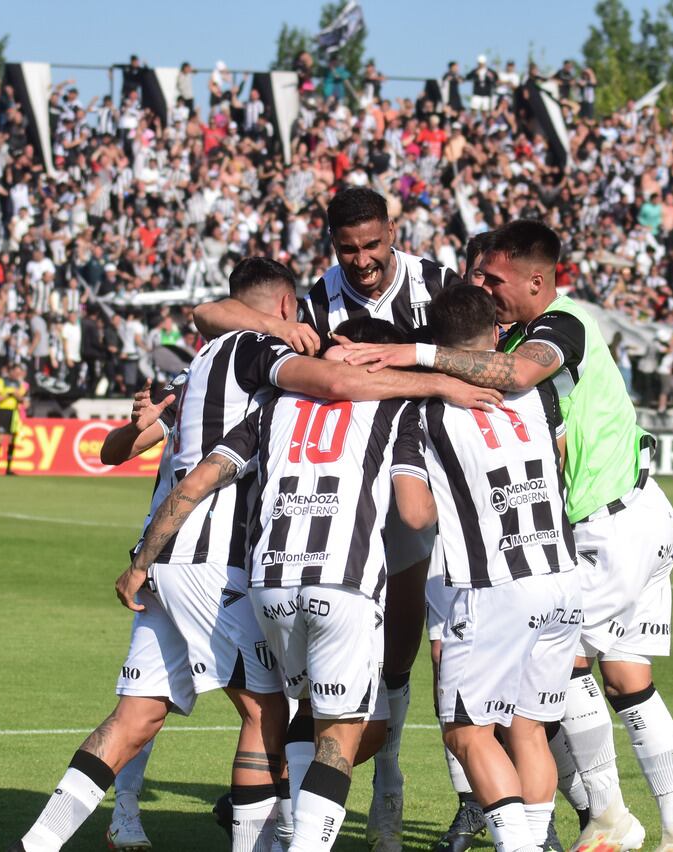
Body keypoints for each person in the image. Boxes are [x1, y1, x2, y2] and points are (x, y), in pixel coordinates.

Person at [86, 259, 498, 851]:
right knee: (316, 720)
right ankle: (278, 827)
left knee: (171, 708)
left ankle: (235, 819)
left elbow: (192, 455)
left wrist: (141, 559)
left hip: (250, 573)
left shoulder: (257, 389)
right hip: (264, 568)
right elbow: (123, 445)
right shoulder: (287, 374)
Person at [341, 220, 673, 852]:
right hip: (629, 512)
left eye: (494, 277)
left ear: (536, 280)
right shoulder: (518, 338)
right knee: (626, 678)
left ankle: (604, 816)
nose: (483, 287)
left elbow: (512, 375)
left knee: (548, 689)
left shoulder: (561, 325)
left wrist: (416, 357)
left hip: (602, 526)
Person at [193, 188, 466, 849]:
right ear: (332, 245)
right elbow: (208, 313)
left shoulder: (436, 283)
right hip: (346, 495)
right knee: (337, 685)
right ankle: (311, 811)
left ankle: (401, 791)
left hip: (426, 474)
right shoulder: (318, 297)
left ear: (392, 234)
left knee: (420, 660)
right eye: (349, 249)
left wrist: (424, 367)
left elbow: (485, 344)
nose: (364, 260)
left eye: (374, 246)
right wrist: (280, 329)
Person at [125, 316, 431, 852]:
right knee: (341, 735)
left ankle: (283, 831)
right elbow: (414, 513)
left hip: (270, 586)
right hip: (343, 584)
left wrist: (141, 560)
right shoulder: (397, 406)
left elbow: (194, 482)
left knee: (304, 712)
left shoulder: (274, 409)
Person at [412, 285, 582, 852]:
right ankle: (535, 840)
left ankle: (519, 847)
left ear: (437, 343)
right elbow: (558, 463)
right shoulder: (540, 395)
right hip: (559, 575)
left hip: (494, 587)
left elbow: (415, 513)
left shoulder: (423, 412)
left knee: (466, 731)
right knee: (528, 727)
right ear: (494, 336)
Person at [0, 362, 28, 476]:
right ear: (10, 371)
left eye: (19, 373)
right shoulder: (1, 381)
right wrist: (10, 393)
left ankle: (8, 468)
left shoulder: (19, 383)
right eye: (16, 372)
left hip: (14, 412)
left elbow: (22, 399)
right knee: (0, 439)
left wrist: (14, 394)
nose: (17, 375)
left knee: (12, 440)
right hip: (3, 411)